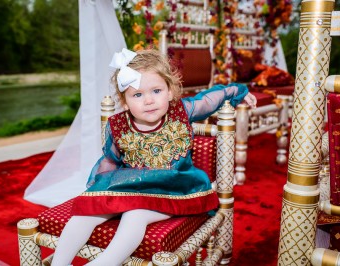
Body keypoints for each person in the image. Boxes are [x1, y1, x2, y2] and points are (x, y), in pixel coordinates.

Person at [51, 48, 257, 266]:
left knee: (135, 215)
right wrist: (98, 196)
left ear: (169, 91)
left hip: (174, 188)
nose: (148, 100)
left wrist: (239, 91)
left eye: (156, 91)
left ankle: (104, 263)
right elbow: (110, 161)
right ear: (125, 102)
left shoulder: (181, 111)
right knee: (85, 213)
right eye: (137, 95)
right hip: (132, 187)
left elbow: (210, 99)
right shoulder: (119, 125)